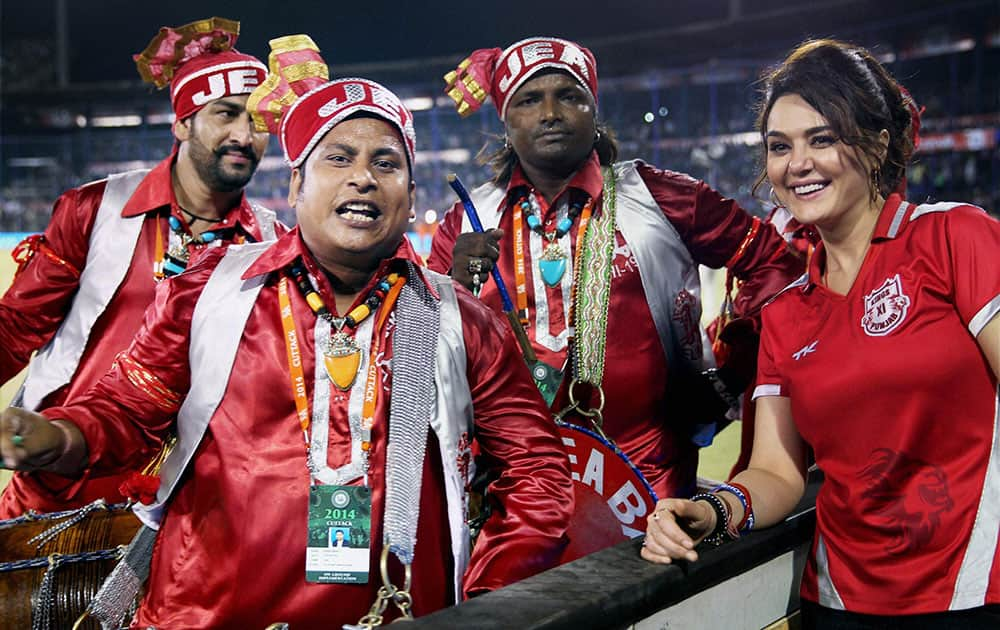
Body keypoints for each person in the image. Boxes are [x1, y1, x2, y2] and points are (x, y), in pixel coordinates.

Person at [0, 35, 572, 629]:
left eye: (386, 162)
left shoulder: (461, 320)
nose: (363, 178)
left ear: (410, 196)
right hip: (201, 615)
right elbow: (127, 410)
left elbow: (537, 472)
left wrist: (486, 606)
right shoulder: (209, 291)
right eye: (338, 157)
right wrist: (59, 438)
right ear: (296, 186)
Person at [641, 39, 1000, 628]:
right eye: (780, 147)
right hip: (835, 606)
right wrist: (714, 510)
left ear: (878, 142)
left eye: (822, 138)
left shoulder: (955, 239)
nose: (797, 163)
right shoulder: (786, 312)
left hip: (973, 596)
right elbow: (778, 473)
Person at [430, 37, 804, 500]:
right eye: (529, 100)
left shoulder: (659, 196)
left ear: (593, 110)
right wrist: (449, 288)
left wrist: (730, 375)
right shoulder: (466, 222)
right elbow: (422, 354)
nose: (550, 113)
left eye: (569, 96)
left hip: (651, 483)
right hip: (513, 491)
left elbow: (776, 263)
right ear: (506, 121)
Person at [0, 17, 280, 517]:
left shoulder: (270, 242)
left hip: (182, 504)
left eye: (259, 120)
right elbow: (17, 326)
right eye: (227, 114)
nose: (245, 134)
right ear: (182, 122)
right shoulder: (96, 209)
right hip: (61, 469)